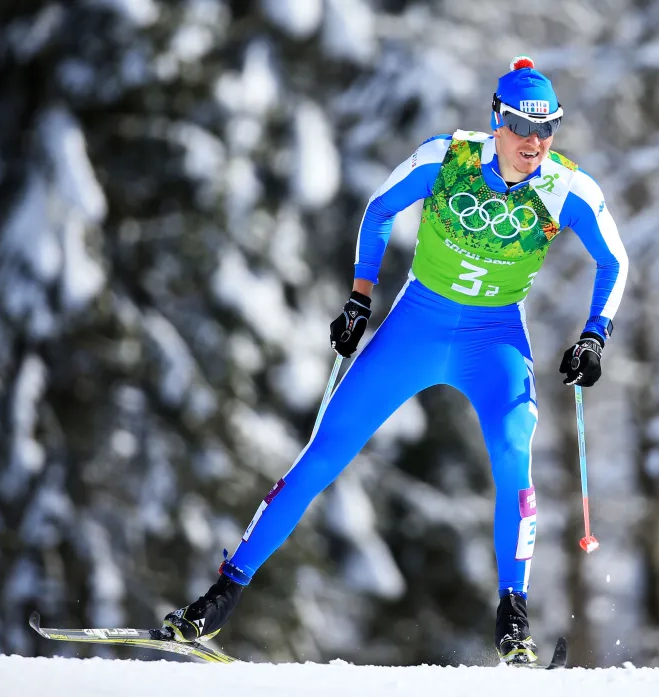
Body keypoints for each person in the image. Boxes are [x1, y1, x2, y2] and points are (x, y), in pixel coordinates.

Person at [163, 56, 629, 666]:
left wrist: (595, 335)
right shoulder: (447, 158)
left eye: (548, 129)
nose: (534, 143)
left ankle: (513, 619)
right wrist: (360, 297)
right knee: (324, 451)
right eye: (521, 126)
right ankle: (219, 598)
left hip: (494, 340)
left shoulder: (567, 188)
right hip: (416, 325)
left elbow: (614, 261)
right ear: (497, 120)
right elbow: (380, 208)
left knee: (516, 457)